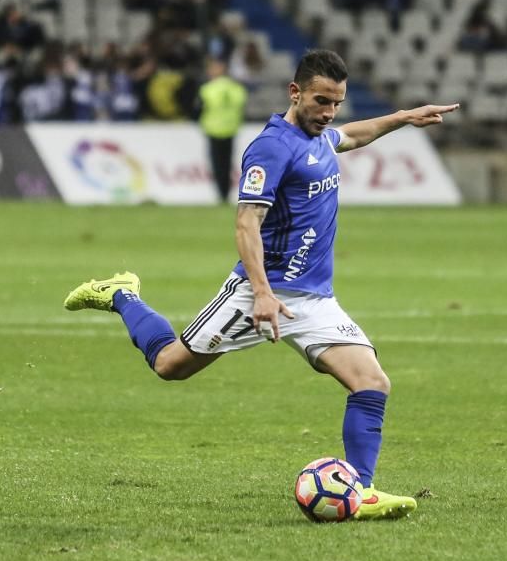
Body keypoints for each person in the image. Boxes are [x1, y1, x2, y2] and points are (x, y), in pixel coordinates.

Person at [64, 49, 459, 520]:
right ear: (295, 93)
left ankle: (361, 491)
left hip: (314, 300)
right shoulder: (271, 147)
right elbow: (246, 223)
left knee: (372, 382)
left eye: (336, 102)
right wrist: (264, 292)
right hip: (257, 293)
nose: (329, 112)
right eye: (320, 101)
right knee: (172, 366)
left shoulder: (319, 137)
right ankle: (121, 294)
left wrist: (402, 117)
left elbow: (353, 135)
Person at [197, 58, 248, 201]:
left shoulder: (207, 88)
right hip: (231, 129)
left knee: (217, 164)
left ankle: (221, 194)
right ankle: (225, 193)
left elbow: (199, 108)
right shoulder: (236, 88)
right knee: (227, 164)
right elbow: (241, 105)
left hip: (213, 130)